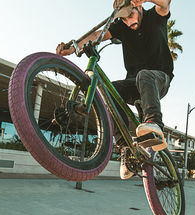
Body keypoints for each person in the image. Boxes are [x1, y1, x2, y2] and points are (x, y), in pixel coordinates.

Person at [56, 0, 173, 179]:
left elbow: (165, 3)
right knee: (108, 89)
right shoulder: (121, 27)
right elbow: (97, 34)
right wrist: (73, 47)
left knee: (144, 75)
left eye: (130, 16)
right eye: (124, 19)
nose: (128, 22)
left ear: (138, 6)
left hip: (159, 80)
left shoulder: (154, 17)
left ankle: (154, 123)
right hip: (134, 85)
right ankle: (125, 148)